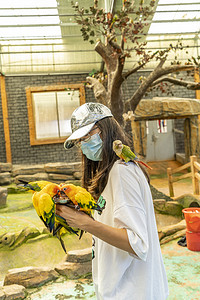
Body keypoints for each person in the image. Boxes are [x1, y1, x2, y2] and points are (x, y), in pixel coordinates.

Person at [56, 102, 169, 300]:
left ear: (106, 129)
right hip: (118, 289)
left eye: (87, 136)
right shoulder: (110, 172)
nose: (83, 145)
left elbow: (137, 244)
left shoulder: (122, 172)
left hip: (132, 292)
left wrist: (86, 224)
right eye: (79, 141)